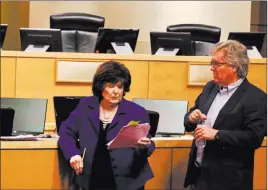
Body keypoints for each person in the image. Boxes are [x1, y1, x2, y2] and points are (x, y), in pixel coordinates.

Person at [58, 61, 155, 190]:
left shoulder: (136, 111)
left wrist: (145, 145)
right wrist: (73, 154)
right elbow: (66, 132)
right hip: (92, 179)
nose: (116, 91)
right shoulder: (85, 106)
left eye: (120, 87)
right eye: (111, 86)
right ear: (100, 86)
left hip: (128, 181)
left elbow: (149, 143)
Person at [183, 40, 267, 190]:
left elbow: (254, 138)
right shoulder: (210, 87)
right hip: (199, 175)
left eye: (217, 64)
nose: (211, 68)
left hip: (229, 181)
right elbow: (190, 115)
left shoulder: (256, 97)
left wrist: (217, 134)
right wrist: (191, 117)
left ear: (234, 66)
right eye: (211, 63)